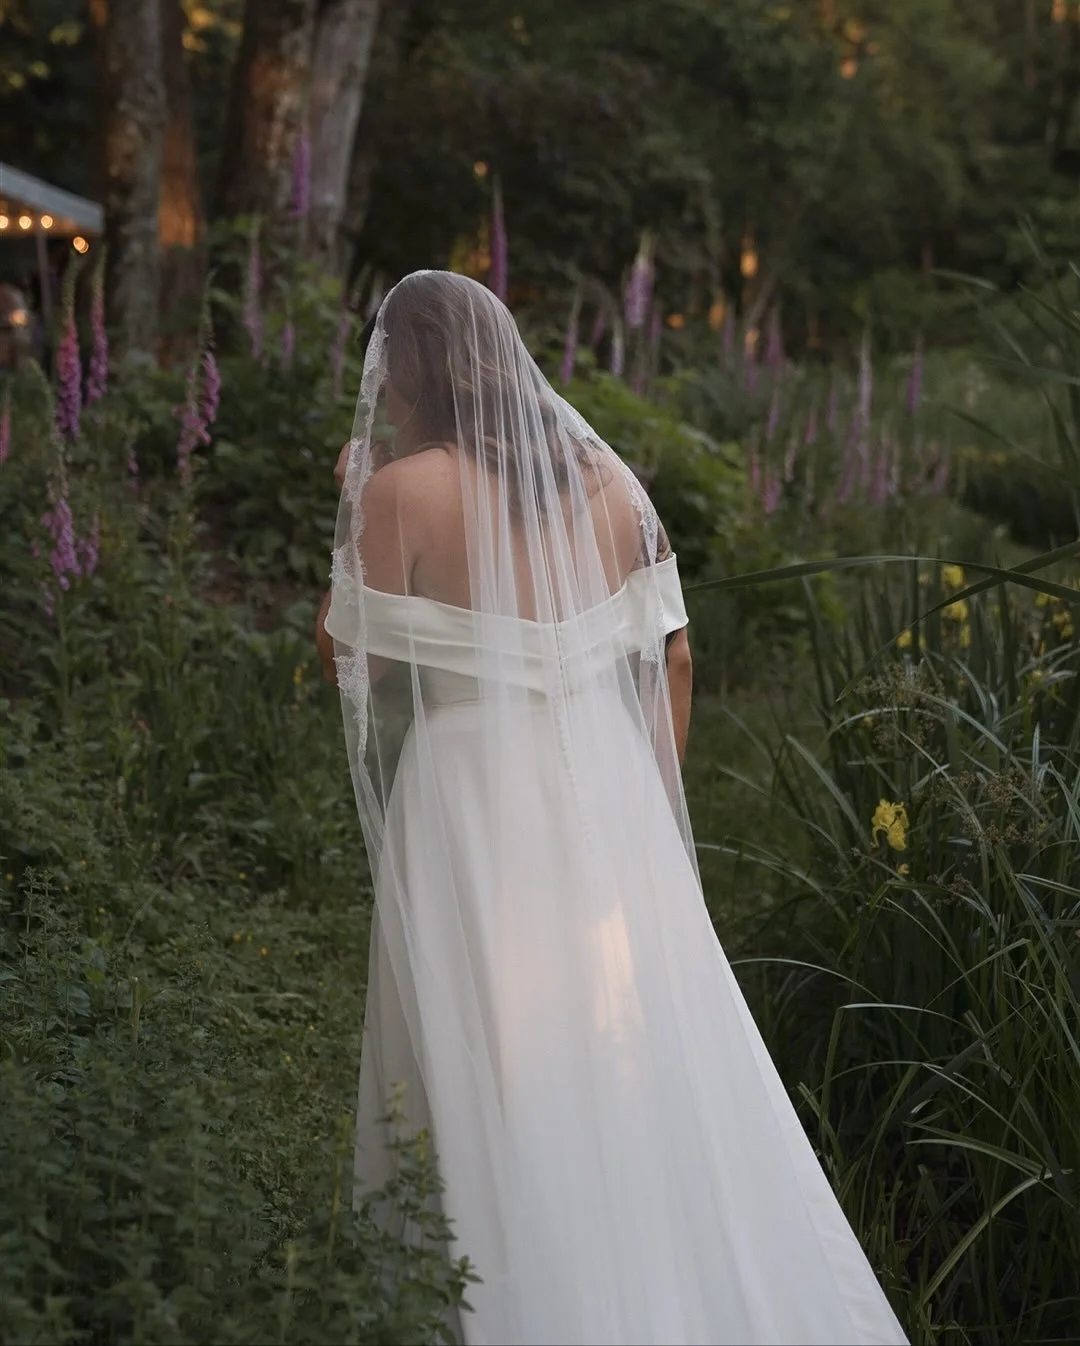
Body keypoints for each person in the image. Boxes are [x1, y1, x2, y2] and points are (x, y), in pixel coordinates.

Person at [314, 270, 907, 1346]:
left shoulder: (402, 490)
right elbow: (675, 656)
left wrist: (354, 504)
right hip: (611, 785)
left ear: (411, 368)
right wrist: (645, 802)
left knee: (487, 1037)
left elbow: (352, 665)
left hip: (470, 793)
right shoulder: (610, 482)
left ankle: (492, 1287)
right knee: (638, 1038)